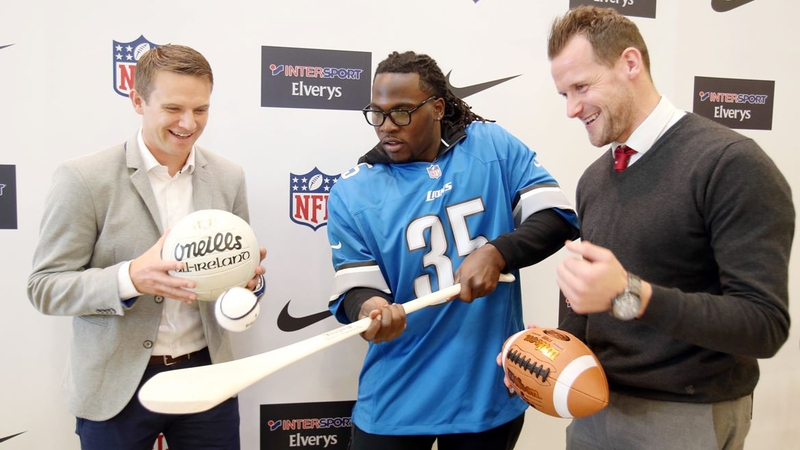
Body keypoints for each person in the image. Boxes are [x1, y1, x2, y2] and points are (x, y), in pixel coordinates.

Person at [547, 6, 794, 450]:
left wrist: (630, 294)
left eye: (581, 87)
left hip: (685, 417)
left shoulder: (730, 164)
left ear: (630, 63)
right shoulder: (594, 179)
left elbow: (764, 324)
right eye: (563, 93)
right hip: (593, 409)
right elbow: (585, 309)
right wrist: (543, 355)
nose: (571, 109)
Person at [326, 50, 580, 450]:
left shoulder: (491, 146)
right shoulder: (351, 191)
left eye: (402, 113)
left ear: (438, 107)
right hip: (398, 397)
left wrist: (498, 252)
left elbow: (556, 218)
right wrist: (371, 309)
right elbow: (357, 288)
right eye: (377, 113)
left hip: (485, 393)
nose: (387, 127)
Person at [27, 44, 266, 450]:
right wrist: (129, 278)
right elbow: (45, 287)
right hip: (115, 387)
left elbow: (238, 280)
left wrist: (245, 283)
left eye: (201, 110)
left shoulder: (229, 176)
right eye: (173, 108)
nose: (188, 124)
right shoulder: (84, 178)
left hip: (207, 377)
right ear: (138, 101)